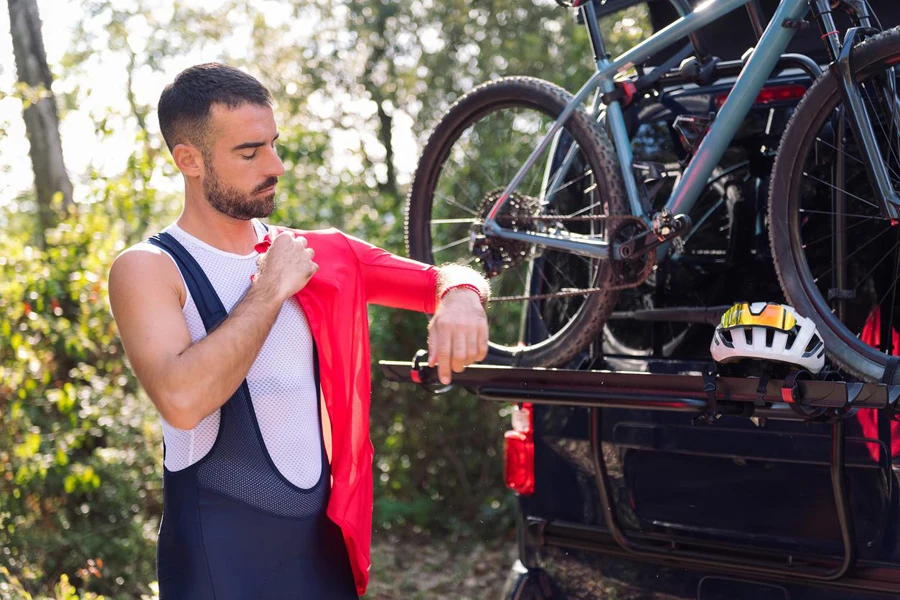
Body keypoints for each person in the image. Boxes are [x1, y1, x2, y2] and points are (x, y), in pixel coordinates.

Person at [107, 63, 490, 599]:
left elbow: (439, 279)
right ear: (188, 160)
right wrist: (269, 289)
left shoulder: (315, 254)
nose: (276, 165)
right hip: (218, 565)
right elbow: (182, 399)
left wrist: (463, 297)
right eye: (250, 152)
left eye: (273, 144)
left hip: (320, 553)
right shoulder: (150, 267)